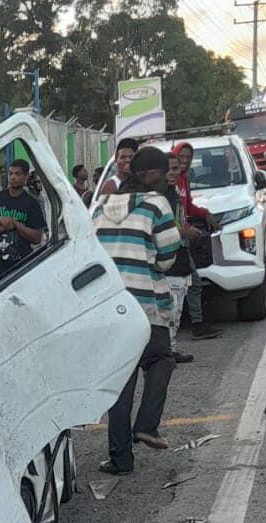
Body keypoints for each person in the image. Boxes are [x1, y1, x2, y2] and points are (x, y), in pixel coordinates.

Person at [93, 146, 182, 473]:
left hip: (109, 306)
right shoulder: (156, 204)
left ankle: (120, 459)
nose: (169, 178)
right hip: (145, 302)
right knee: (161, 360)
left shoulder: (100, 206)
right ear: (152, 174)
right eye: (166, 172)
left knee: (122, 380)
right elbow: (168, 255)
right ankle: (146, 423)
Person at [171, 142, 224, 339]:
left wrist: (204, 213)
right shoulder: (170, 183)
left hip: (181, 238)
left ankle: (193, 324)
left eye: (188, 157)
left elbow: (187, 206)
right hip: (172, 240)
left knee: (190, 282)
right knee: (189, 282)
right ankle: (193, 325)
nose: (185, 161)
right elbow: (169, 213)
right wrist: (184, 229)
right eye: (181, 157)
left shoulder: (183, 179)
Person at [0, 158, 47, 279]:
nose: (12, 177)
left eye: (17, 174)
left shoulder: (32, 203)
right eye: (10, 173)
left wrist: (16, 224)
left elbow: (37, 238)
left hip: (23, 269)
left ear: (26, 176)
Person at [163, 157, 197, 365]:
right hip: (171, 259)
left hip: (181, 255)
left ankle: (171, 348)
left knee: (178, 306)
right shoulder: (161, 197)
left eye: (178, 169)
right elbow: (167, 226)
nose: (176, 172)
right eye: (172, 169)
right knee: (171, 308)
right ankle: (167, 351)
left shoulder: (174, 194)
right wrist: (185, 231)